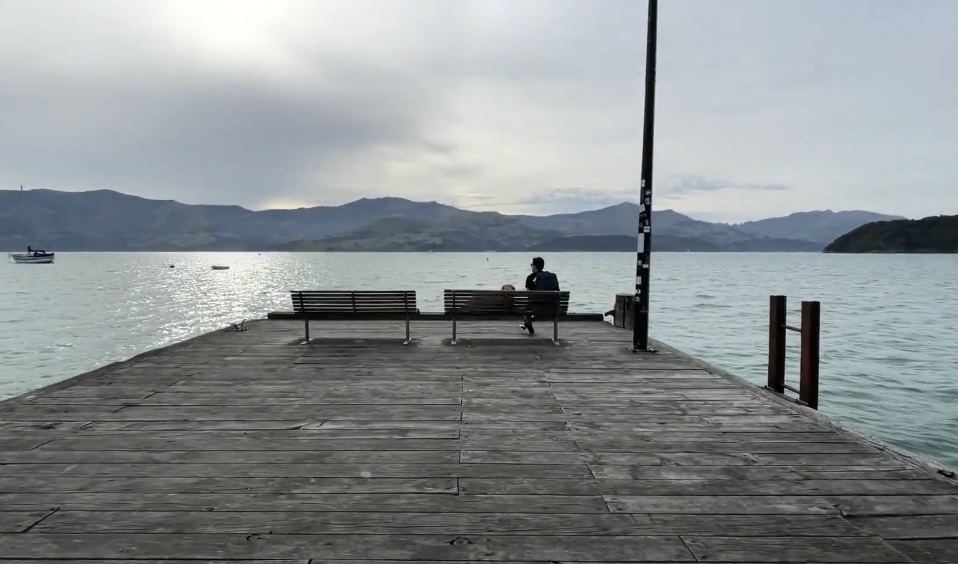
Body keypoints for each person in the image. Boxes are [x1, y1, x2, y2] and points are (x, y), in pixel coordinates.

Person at [521, 256, 560, 335]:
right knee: (540, 306)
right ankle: (529, 323)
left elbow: (529, 295)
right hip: (553, 307)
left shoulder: (530, 278)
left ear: (535, 266)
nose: (531, 266)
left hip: (538, 307)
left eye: (532, 264)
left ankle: (529, 323)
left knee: (528, 308)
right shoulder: (551, 277)